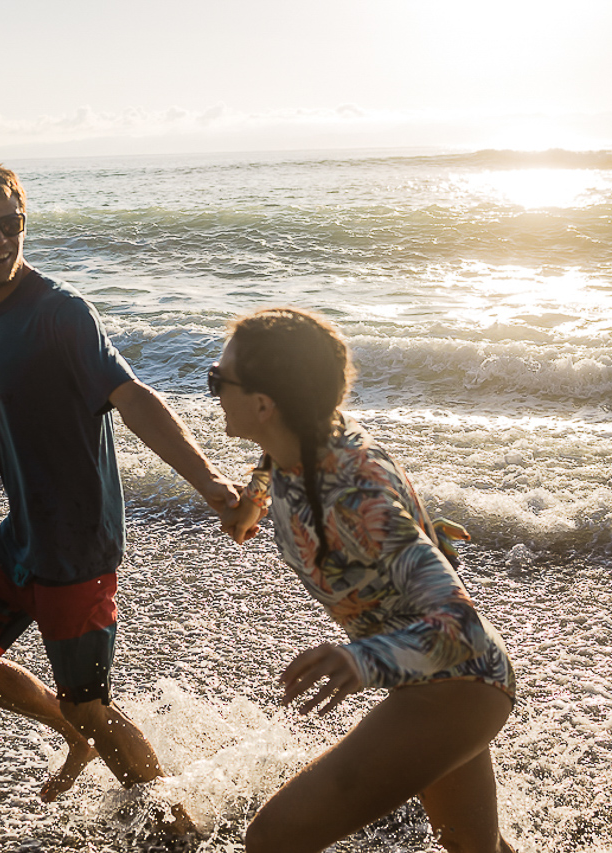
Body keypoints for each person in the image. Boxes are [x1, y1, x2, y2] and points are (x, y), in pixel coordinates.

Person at [0, 161, 238, 814]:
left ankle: (175, 826)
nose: (0, 239)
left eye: (10, 223)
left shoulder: (59, 312)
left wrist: (208, 481)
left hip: (75, 543)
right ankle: (77, 734)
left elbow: (131, 395)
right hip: (27, 534)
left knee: (92, 701)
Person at [212, 308, 518, 853]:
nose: (213, 387)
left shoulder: (355, 502)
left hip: (455, 687)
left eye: (219, 380)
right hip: (440, 684)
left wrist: (359, 660)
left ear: (263, 405)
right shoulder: (304, 434)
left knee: (271, 839)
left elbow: (460, 623)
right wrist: (254, 501)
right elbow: (272, 455)